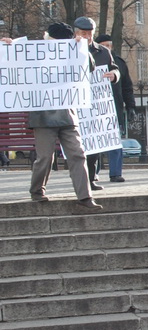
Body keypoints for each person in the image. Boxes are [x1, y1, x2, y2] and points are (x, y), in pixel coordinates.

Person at [15, 23, 100, 210]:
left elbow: (90, 68)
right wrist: (9, 47)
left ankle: (85, 196)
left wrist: (81, 49)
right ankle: (37, 191)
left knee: (77, 154)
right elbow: (16, 64)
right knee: (45, 157)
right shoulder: (37, 53)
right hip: (44, 115)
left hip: (67, 114)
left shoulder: (74, 51)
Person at [73, 17, 125, 187]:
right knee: (80, 146)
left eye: (90, 33)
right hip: (76, 105)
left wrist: (114, 75)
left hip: (96, 105)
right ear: (76, 32)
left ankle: (89, 179)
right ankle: (82, 179)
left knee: (93, 145)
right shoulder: (67, 49)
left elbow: (114, 68)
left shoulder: (103, 51)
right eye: (83, 33)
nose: (87, 36)